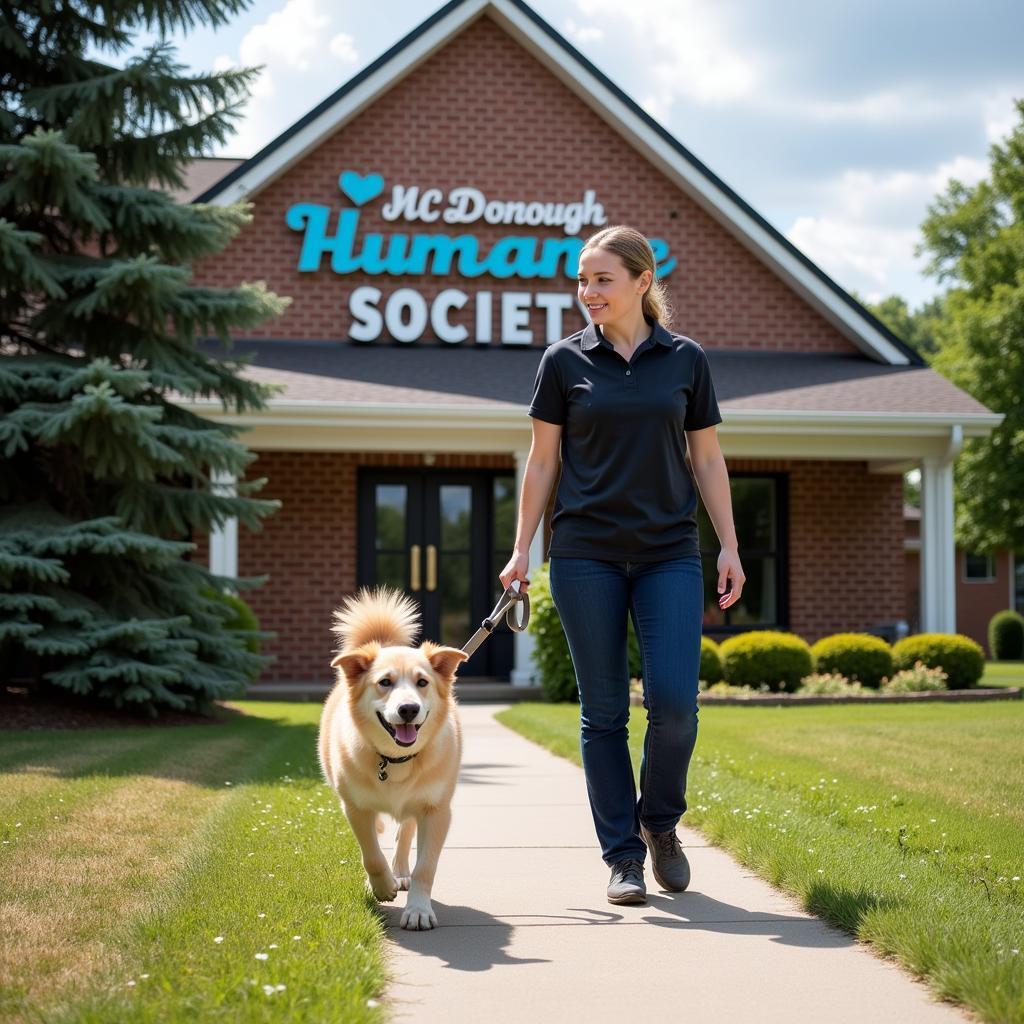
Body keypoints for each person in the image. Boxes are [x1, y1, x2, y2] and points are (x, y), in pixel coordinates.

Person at [499, 224, 745, 905]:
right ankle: (623, 856)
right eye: (582, 280)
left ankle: (659, 821)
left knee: (674, 704)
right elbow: (543, 460)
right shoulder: (562, 362)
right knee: (602, 711)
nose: (588, 292)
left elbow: (707, 458)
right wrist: (522, 548)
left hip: (669, 551)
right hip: (585, 554)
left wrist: (727, 542)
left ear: (643, 281)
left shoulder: (685, 360)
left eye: (602, 279)